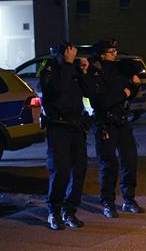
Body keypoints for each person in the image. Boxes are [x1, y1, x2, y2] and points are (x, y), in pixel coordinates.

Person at [40, 42, 94, 231]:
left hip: (76, 126)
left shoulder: (73, 69)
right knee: (60, 170)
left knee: (79, 169)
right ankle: (53, 212)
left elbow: (88, 92)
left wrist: (85, 72)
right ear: (60, 54)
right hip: (58, 127)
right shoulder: (49, 70)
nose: (72, 56)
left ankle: (69, 210)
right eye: (68, 53)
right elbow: (56, 90)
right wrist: (69, 65)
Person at [88, 39, 145, 218]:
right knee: (109, 164)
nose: (114, 54)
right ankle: (108, 202)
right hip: (105, 123)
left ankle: (129, 199)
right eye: (111, 52)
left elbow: (127, 89)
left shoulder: (117, 69)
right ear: (102, 54)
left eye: (115, 51)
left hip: (122, 121)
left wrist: (134, 86)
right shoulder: (95, 72)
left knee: (129, 160)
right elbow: (102, 101)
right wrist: (125, 93)